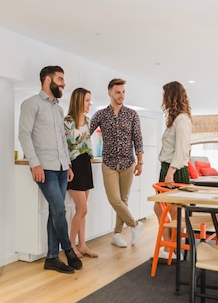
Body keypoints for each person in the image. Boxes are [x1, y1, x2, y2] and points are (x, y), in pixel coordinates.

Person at [18, 66, 82, 274]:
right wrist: (34, 163)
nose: (64, 83)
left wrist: (68, 165)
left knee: (55, 212)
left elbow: (62, 141)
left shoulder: (58, 109)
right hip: (45, 168)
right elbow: (24, 135)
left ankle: (52, 257)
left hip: (62, 168)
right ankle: (68, 250)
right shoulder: (31, 104)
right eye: (60, 79)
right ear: (47, 80)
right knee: (60, 210)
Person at [90, 78, 144, 248]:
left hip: (128, 163)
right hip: (109, 163)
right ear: (110, 93)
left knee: (123, 199)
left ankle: (117, 234)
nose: (121, 95)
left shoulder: (132, 114)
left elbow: (138, 139)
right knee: (114, 199)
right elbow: (86, 131)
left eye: (123, 92)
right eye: (118, 92)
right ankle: (135, 225)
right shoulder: (101, 114)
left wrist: (140, 161)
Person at [154, 81, 192, 259]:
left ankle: (171, 249)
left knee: (174, 210)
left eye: (164, 95)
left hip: (174, 170)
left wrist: (170, 171)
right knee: (162, 208)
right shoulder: (175, 118)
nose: (163, 98)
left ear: (171, 96)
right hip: (168, 168)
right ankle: (171, 247)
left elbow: (182, 149)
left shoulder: (182, 119)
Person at [64, 87, 99, 258]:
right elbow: (64, 146)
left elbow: (87, 141)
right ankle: (70, 246)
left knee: (83, 210)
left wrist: (91, 157)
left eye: (90, 100)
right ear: (78, 101)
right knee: (82, 209)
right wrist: (68, 167)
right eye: (87, 100)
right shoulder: (68, 121)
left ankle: (83, 245)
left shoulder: (87, 120)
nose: (89, 104)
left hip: (85, 163)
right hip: (73, 165)